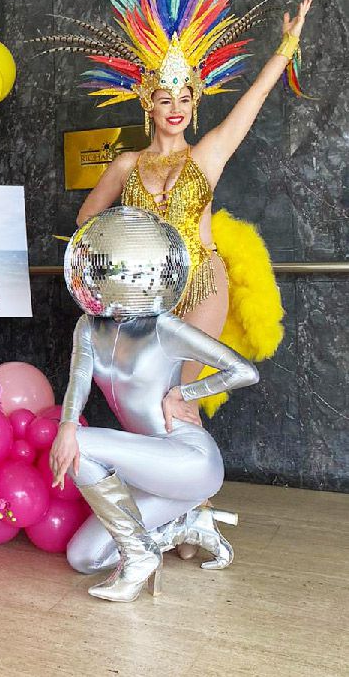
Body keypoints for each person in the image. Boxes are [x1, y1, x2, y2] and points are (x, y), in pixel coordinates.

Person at [34, 0, 309, 386]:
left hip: (201, 277)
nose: (176, 108)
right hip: (144, 288)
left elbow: (253, 99)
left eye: (184, 98)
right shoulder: (126, 164)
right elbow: (87, 218)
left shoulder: (208, 154)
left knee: (179, 391)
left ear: (194, 103)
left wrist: (286, 46)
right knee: (143, 392)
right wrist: (121, 245)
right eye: (166, 99)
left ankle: (192, 450)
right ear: (151, 106)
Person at [49, 207, 258, 602]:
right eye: (109, 269)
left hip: (189, 459)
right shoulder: (88, 327)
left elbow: (242, 370)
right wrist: (66, 425)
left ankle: (141, 555)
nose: (119, 278)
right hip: (153, 472)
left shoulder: (165, 327)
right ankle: (184, 524)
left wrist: (184, 393)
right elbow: (78, 383)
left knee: (83, 444)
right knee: (84, 557)